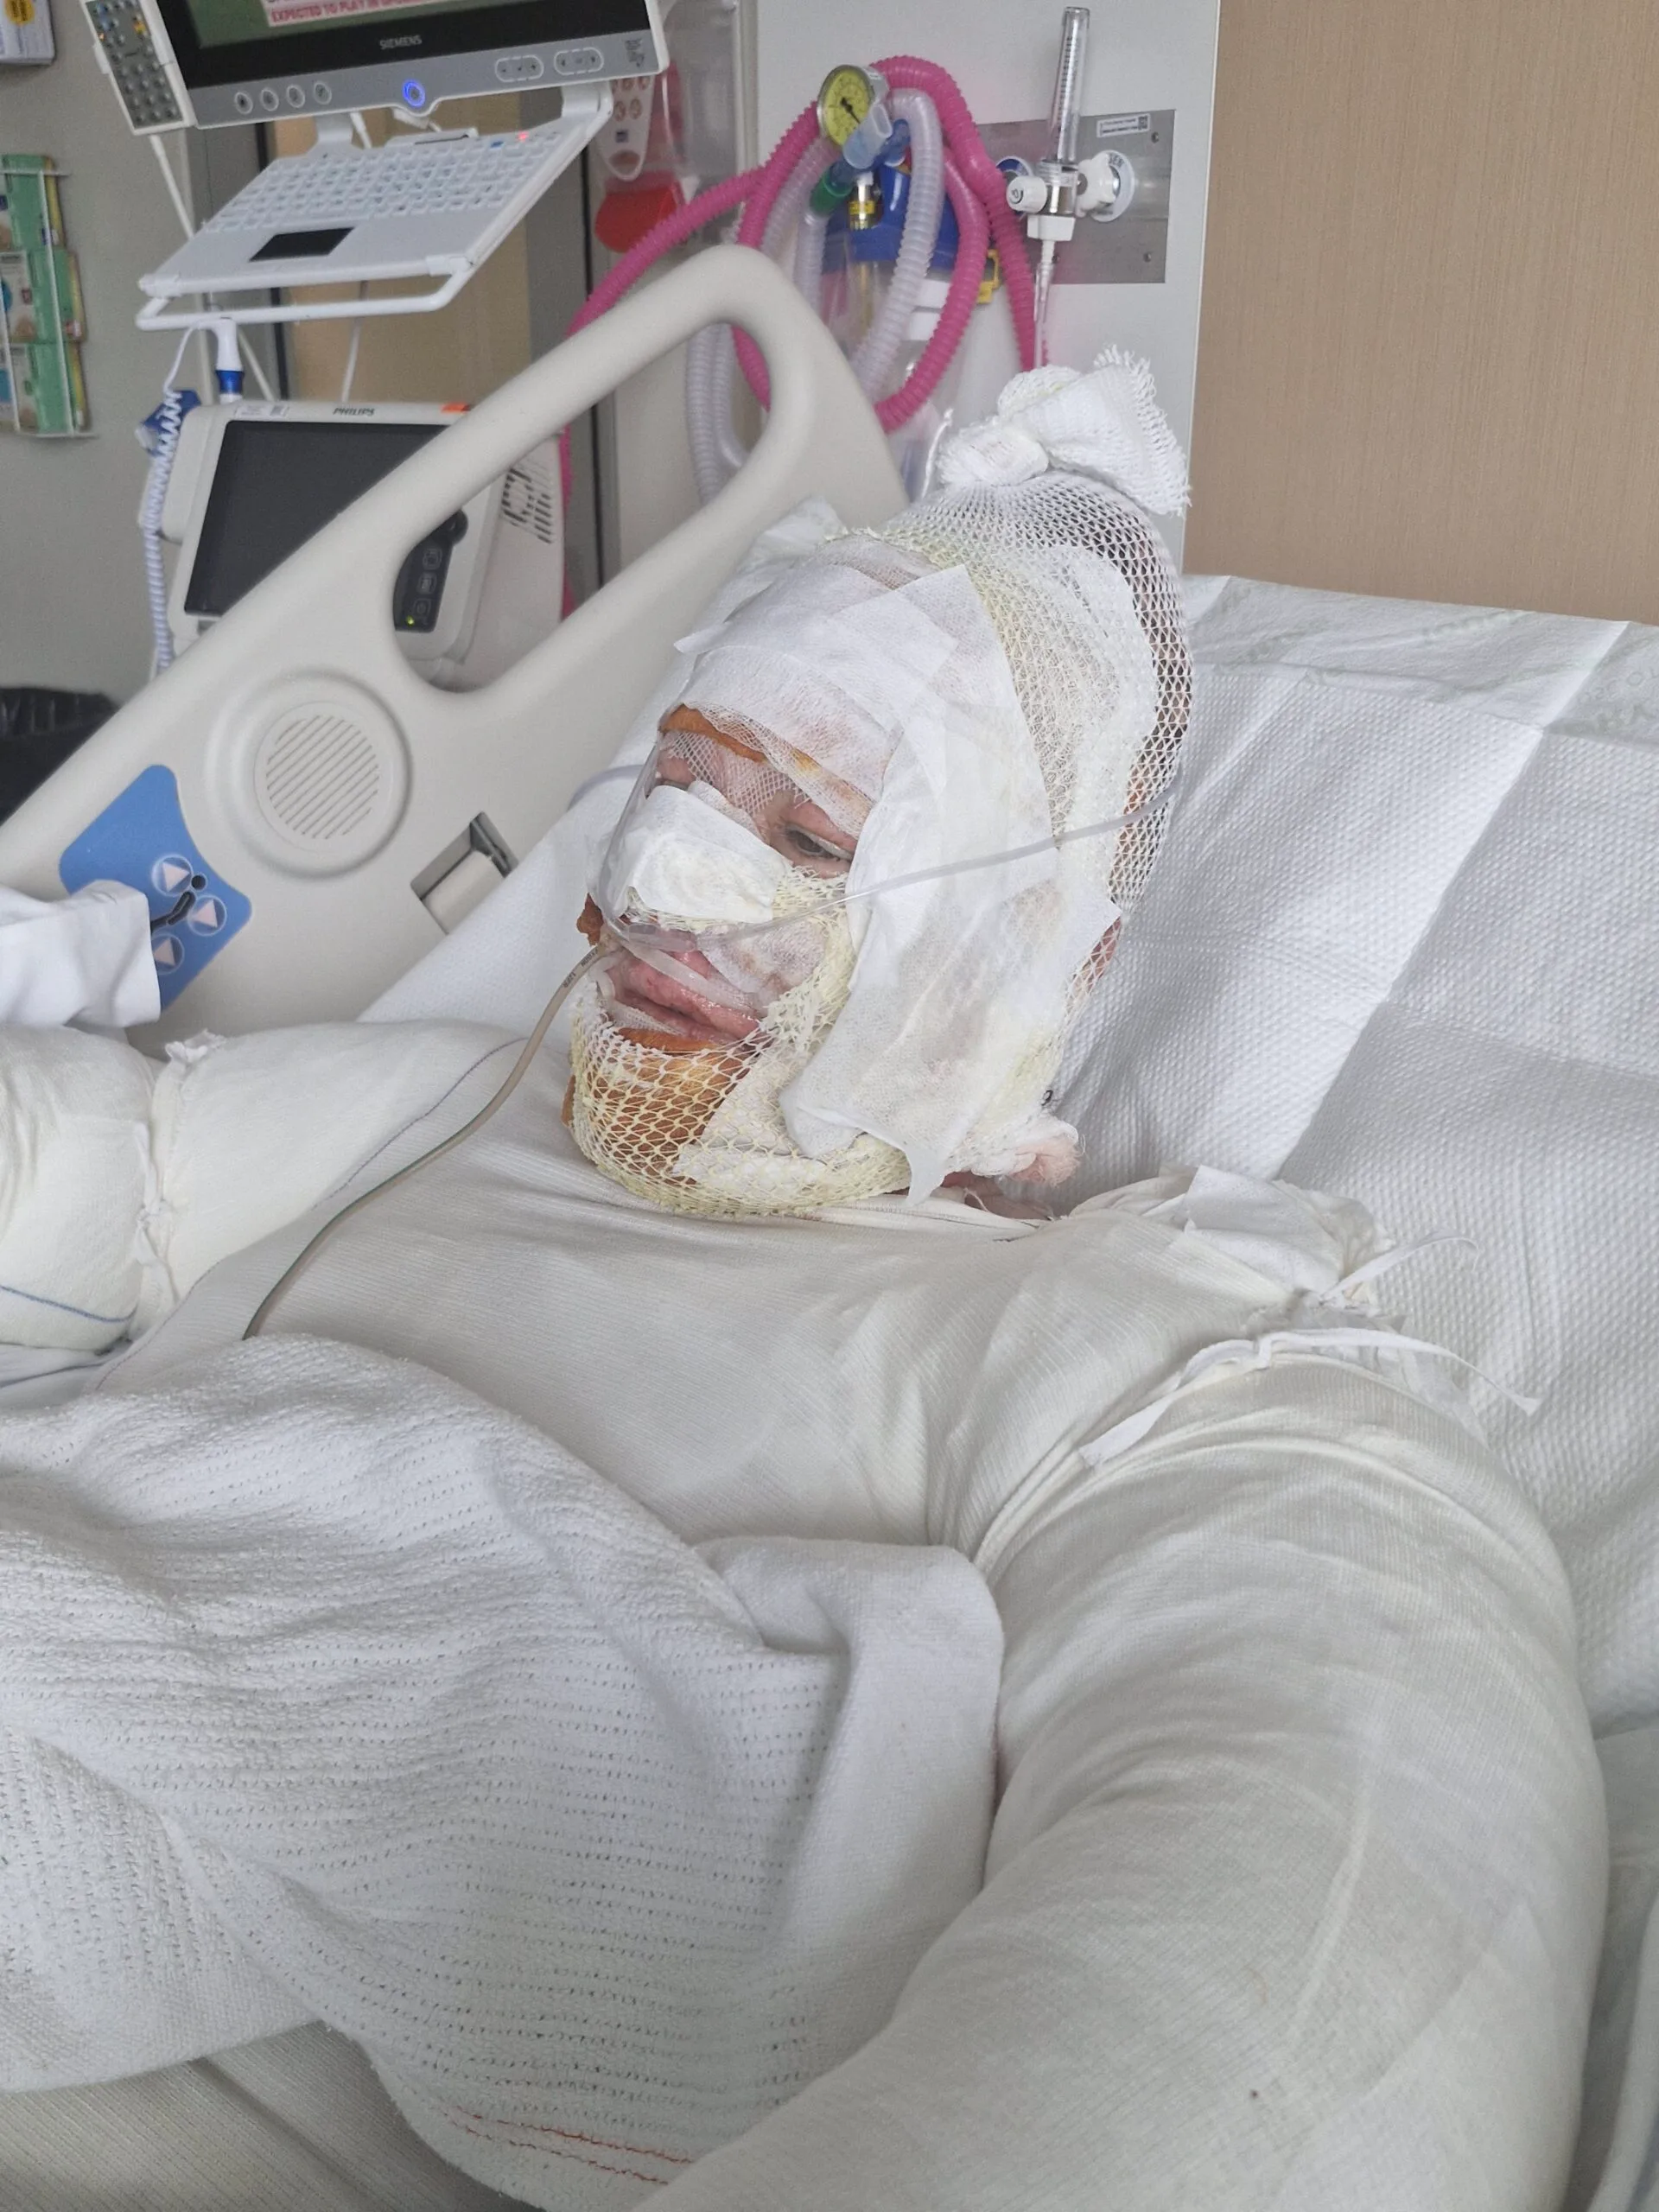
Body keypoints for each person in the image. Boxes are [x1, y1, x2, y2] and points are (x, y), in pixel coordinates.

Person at [0, 356, 1605, 2212]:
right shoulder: (464, 1107)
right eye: (678, 777)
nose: (668, 877)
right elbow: (106, 1166)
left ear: (1017, 945)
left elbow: (1339, 1899)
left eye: (809, 834)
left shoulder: (1146, 1357)